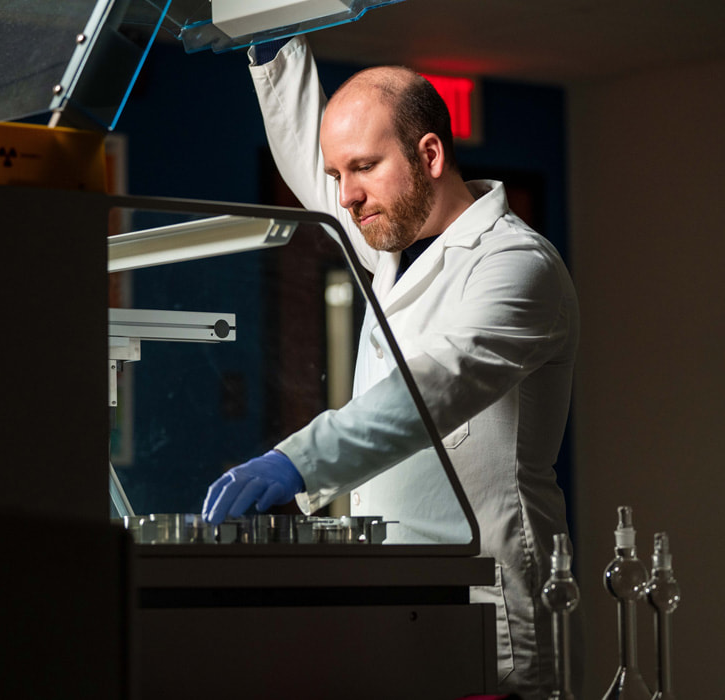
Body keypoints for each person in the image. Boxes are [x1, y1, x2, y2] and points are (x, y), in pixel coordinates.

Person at [202, 35, 581, 699]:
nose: (345, 197)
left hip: (491, 625)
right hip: (400, 612)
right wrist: (270, 45)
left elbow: (433, 387)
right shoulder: (387, 247)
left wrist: (297, 461)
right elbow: (304, 156)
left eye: (363, 167)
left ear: (429, 154)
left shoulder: (517, 265)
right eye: (336, 175)